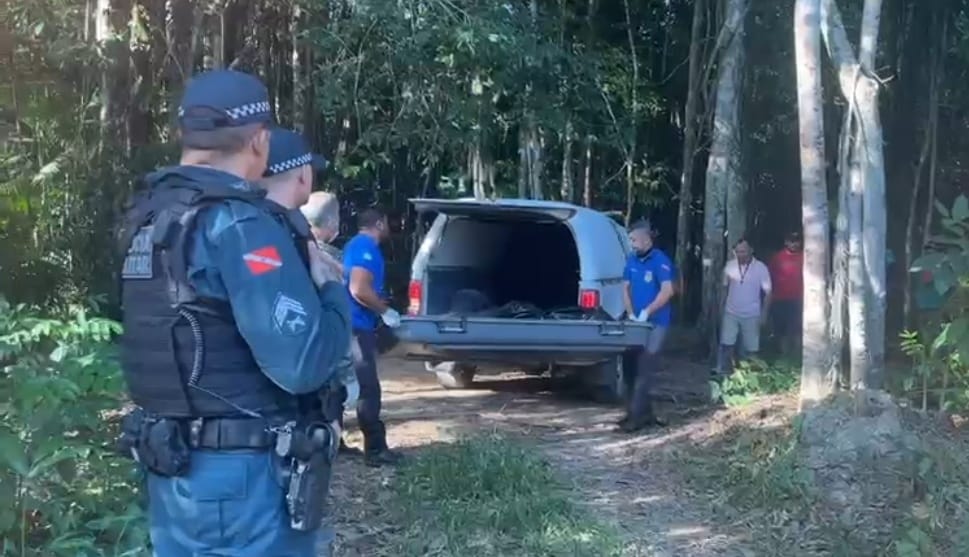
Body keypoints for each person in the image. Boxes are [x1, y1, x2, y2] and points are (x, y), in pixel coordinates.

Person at [115, 70, 350, 557]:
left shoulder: (151, 218)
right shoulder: (238, 223)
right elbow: (302, 364)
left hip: (172, 470)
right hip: (244, 484)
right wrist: (331, 293)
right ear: (260, 141)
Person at [343, 206, 403, 466]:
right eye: (388, 222)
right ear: (379, 224)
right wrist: (384, 311)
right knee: (368, 388)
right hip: (357, 326)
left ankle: (335, 442)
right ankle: (375, 450)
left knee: (342, 385)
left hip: (351, 324)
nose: (390, 227)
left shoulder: (355, 246)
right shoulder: (365, 247)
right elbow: (358, 288)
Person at [618, 220, 674, 433]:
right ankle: (638, 412)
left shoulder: (660, 261)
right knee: (629, 366)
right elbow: (625, 288)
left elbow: (667, 291)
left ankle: (636, 418)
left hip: (656, 323)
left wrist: (647, 312)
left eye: (634, 239)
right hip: (635, 324)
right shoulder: (631, 259)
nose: (631, 243)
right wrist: (631, 313)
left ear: (646, 239)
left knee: (645, 367)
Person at [715, 237, 772, 376]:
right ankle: (723, 372)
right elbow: (724, 288)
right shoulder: (730, 266)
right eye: (738, 252)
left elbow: (768, 292)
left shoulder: (761, 268)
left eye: (743, 251)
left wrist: (764, 314)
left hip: (752, 313)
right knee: (726, 343)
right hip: (731, 312)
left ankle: (749, 375)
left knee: (751, 347)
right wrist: (721, 308)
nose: (740, 255)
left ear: (751, 251)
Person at [768, 231, 803, 358]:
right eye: (791, 241)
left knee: (797, 329)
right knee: (780, 330)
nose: (794, 244)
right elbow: (769, 277)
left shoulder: (805, 257)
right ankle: (784, 357)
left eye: (797, 241)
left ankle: (797, 357)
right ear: (786, 242)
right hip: (779, 299)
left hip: (798, 299)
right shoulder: (777, 257)